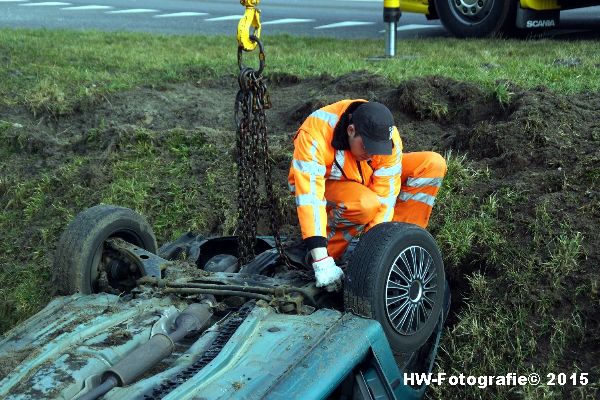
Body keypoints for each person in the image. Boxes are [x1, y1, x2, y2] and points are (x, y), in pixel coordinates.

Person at [288, 99, 447, 289]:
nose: (372, 155)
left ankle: (401, 247)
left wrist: (377, 257)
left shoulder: (387, 136)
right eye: (367, 147)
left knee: (431, 164)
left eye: (376, 149)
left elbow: (385, 198)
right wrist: (321, 261)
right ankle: (325, 252)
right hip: (325, 183)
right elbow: (310, 197)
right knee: (364, 203)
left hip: (363, 178)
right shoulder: (315, 134)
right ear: (351, 130)